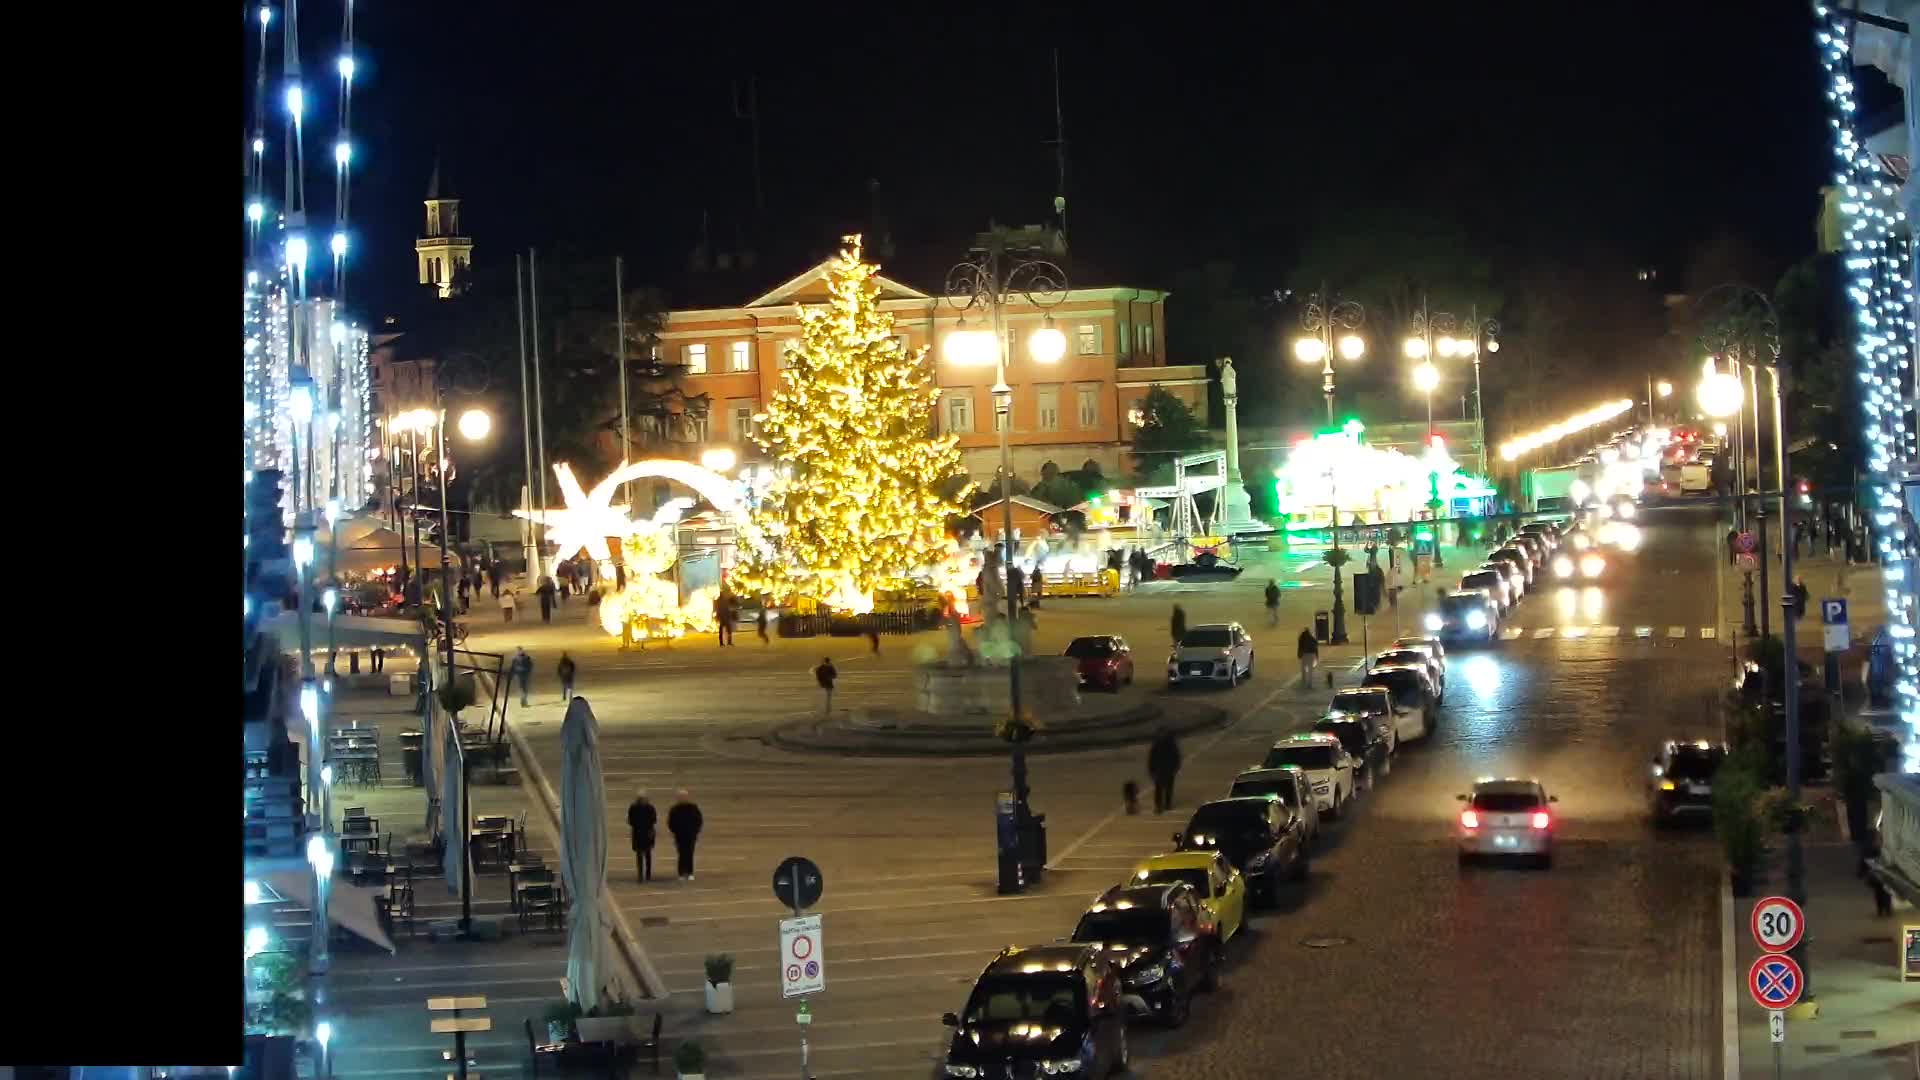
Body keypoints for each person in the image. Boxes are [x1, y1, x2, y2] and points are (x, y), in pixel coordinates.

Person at [667, 790, 703, 882]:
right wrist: (675, 832)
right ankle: (681, 873)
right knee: (681, 854)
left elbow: (699, 820)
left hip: (691, 835)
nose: (682, 798)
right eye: (681, 797)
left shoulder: (693, 808)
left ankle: (690, 873)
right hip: (679, 836)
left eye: (684, 796)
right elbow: (670, 822)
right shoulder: (674, 809)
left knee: (690, 854)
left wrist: (696, 831)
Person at [1147, 728, 1182, 814]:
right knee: (1162, 788)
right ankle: (1162, 805)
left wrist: (1176, 768)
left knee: (1165, 788)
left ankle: (1165, 804)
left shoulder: (1165, 744)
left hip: (1166, 769)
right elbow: (1152, 758)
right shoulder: (1167, 744)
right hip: (1163, 769)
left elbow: (1176, 757)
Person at [627, 790, 657, 883]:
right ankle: (640, 874)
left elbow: (654, 819)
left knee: (647, 855)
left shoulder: (650, 808)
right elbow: (630, 820)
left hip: (646, 833)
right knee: (640, 855)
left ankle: (647, 875)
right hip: (639, 833)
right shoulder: (634, 807)